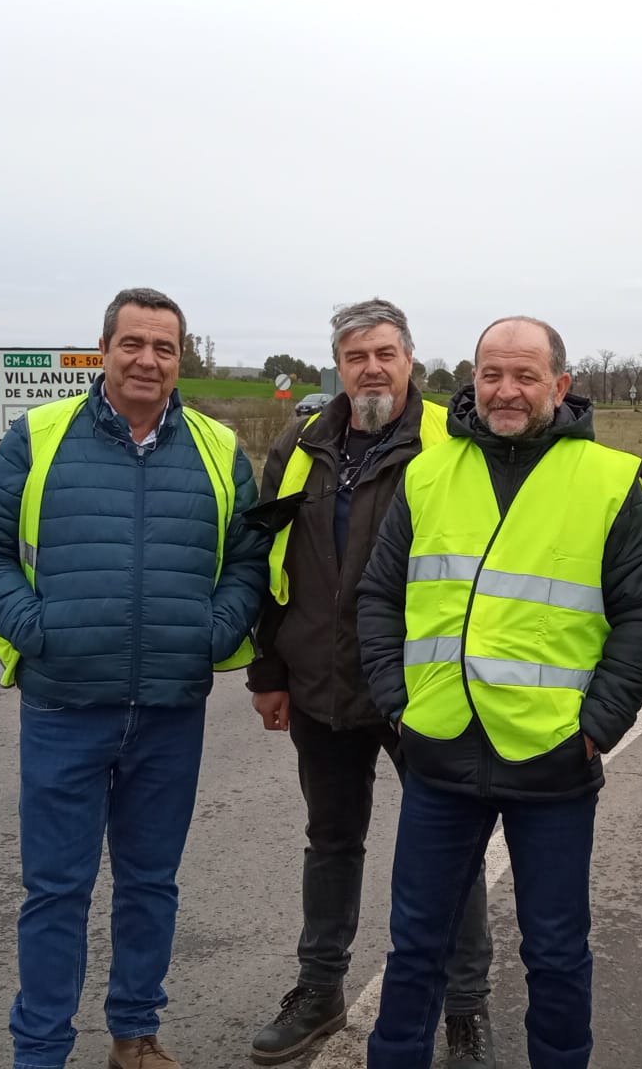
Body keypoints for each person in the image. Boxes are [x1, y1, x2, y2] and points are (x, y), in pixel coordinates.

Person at [0, 287, 267, 1069]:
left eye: (164, 347)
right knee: (55, 892)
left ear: (180, 359)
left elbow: (250, 563)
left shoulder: (219, 449)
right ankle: (41, 1051)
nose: (147, 360)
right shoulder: (41, 437)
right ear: (104, 350)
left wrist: (214, 632)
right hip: (66, 706)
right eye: (133, 343)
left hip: (170, 710)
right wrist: (36, 629)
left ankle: (135, 1037)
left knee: (151, 886)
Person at [356, 317, 642, 1069]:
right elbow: (380, 594)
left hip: (554, 760)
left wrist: (597, 725)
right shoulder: (429, 473)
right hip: (437, 752)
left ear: (559, 386)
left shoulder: (606, 480)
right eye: (492, 374)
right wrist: (396, 701)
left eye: (526, 376)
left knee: (558, 955)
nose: (506, 390)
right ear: (473, 380)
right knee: (416, 948)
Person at [244, 299, 498, 1068]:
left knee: (448, 849)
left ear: (411, 359)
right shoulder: (300, 444)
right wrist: (269, 669)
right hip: (319, 684)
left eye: (386, 353)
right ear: (338, 365)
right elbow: (268, 560)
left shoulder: (451, 445)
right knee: (331, 841)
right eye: (356, 357)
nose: (372, 369)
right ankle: (319, 989)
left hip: (422, 688)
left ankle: (466, 1007)